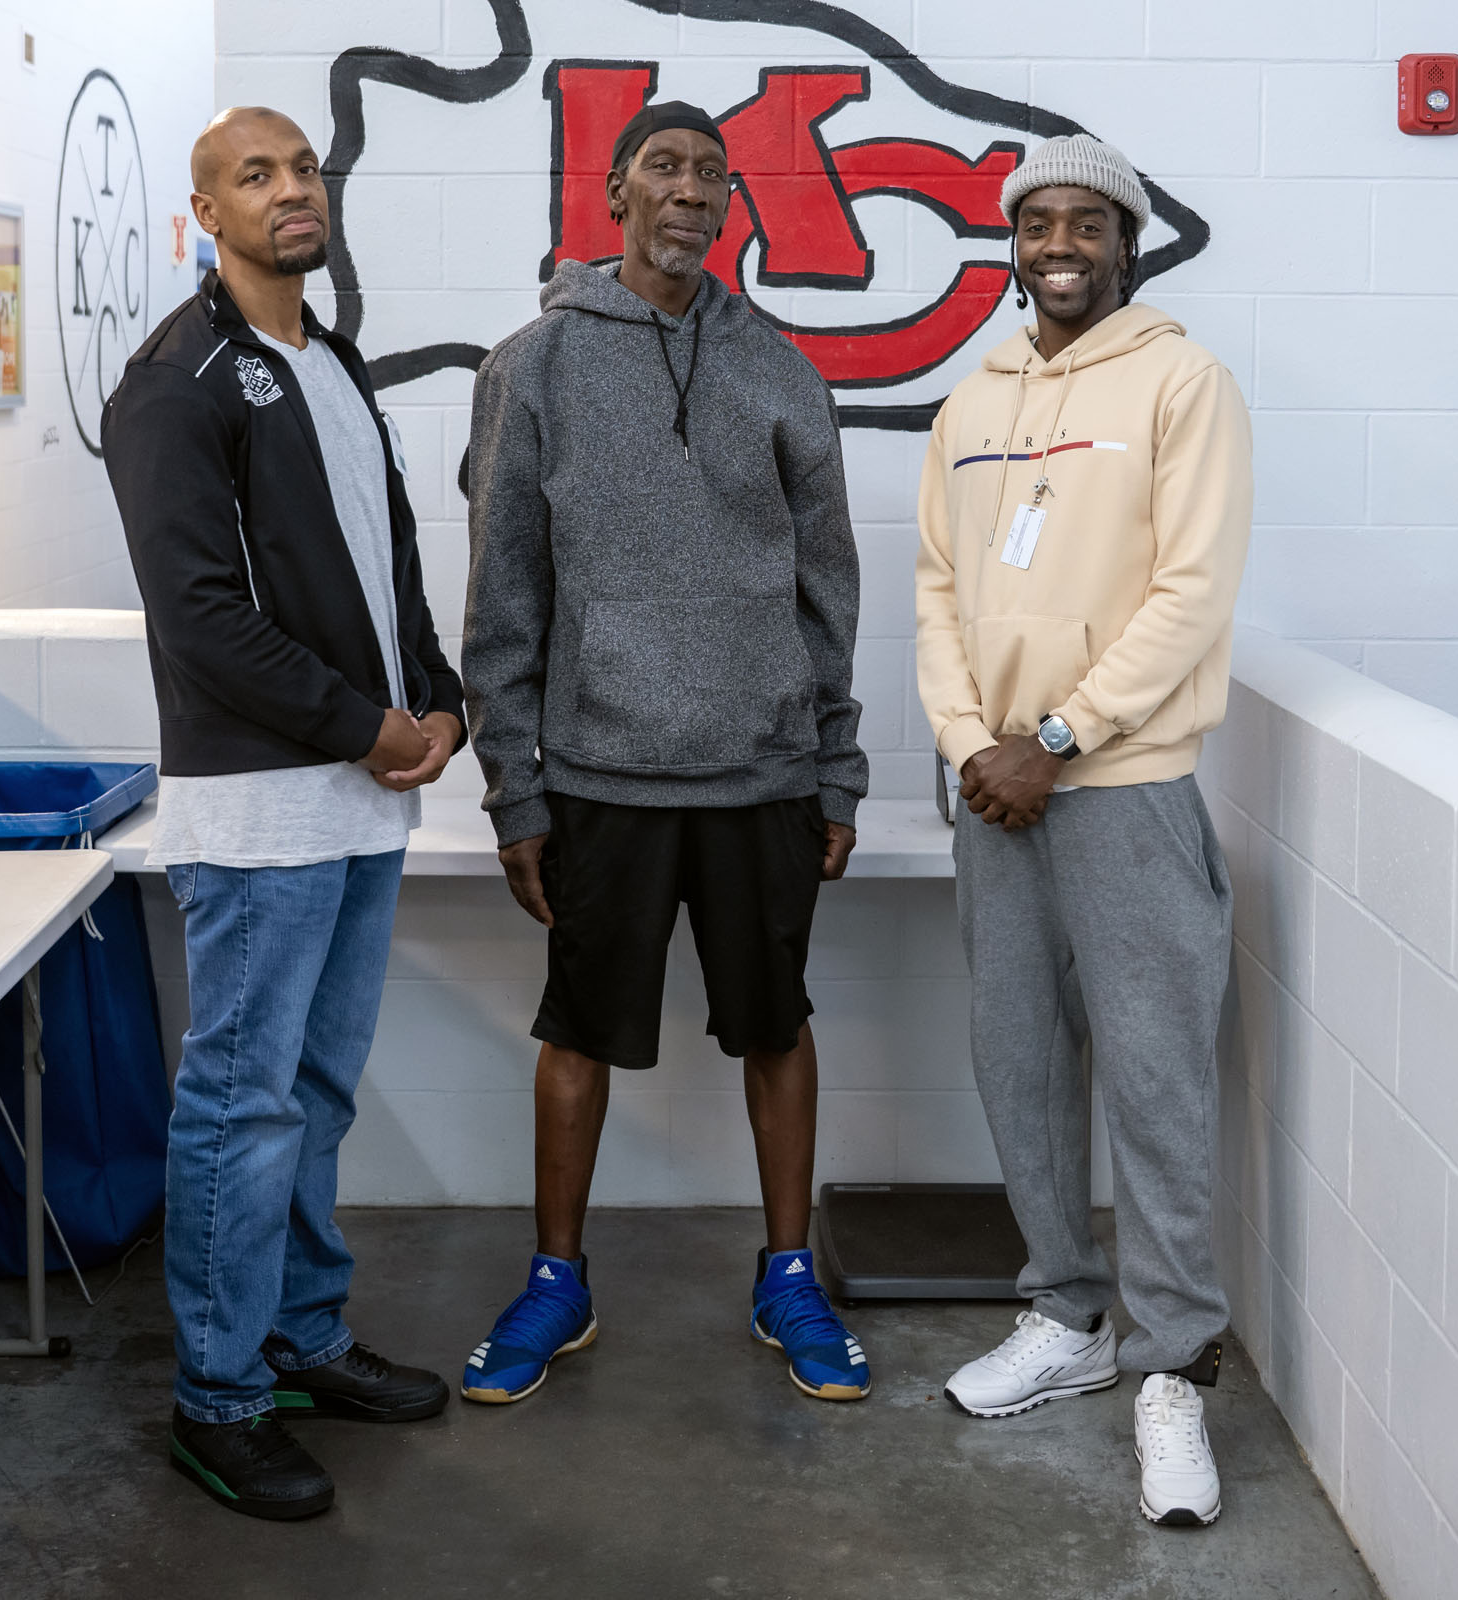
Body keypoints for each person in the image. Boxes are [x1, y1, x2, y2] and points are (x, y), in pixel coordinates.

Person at [458, 101, 870, 1407]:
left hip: (764, 775)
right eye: (666, 169)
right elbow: (503, 596)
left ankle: (789, 1277)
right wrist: (515, 789)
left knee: (776, 1027)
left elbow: (828, 589)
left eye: (712, 174)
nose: (691, 190)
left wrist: (837, 765)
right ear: (616, 194)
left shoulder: (781, 370)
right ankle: (556, 1283)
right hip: (599, 779)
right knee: (577, 1032)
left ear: (729, 204)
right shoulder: (535, 367)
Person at [101, 106, 467, 1521]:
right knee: (243, 1107)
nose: (290, 189)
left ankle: (301, 1340)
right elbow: (199, 621)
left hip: (360, 802)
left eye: (303, 167)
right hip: (263, 815)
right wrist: (365, 725)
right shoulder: (174, 383)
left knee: (313, 1096)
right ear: (205, 214)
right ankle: (218, 1398)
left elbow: (387, 563)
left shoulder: (330, 359)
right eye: (255, 176)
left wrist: (437, 698)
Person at [913, 134, 1253, 1527]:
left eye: (1088, 223)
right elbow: (939, 590)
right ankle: (1067, 1317)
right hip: (996, 793)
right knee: (1021, 1067)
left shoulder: (1182, 382)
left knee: (1156, 1085)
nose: (1060, 243)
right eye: (1038, 222)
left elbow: (1192, 592)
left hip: (1121, 788)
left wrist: (1055, 741)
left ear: (1128, 244)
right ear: (1014, 244)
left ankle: (1173, 1369)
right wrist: (971, 750)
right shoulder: (974, 398)